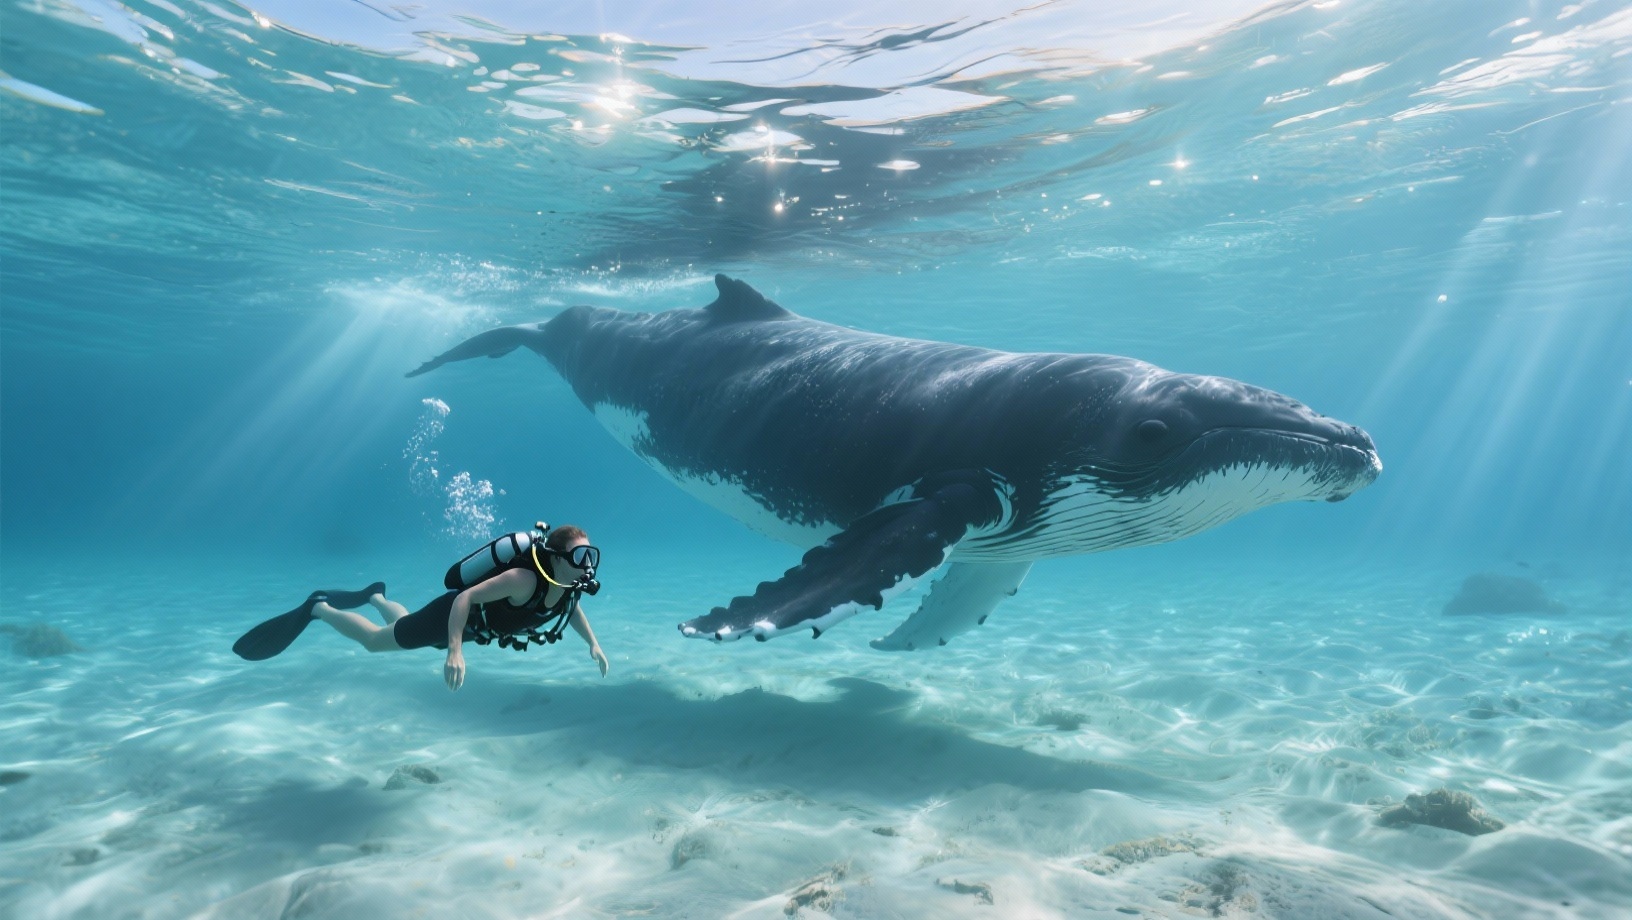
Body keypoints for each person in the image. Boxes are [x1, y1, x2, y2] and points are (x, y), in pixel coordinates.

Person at [233, 525, 609, 689]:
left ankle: (375, 596)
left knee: (404, 625)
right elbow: (465, 597)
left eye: (590, 554)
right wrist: (456, 651)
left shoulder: (568, 583)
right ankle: (319, 608)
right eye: (580, 554)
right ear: (557, 556)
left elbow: (569, 608)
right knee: (377, 642)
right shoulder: (524, 580)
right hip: (451, 618)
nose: (587, 563)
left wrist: (592, 643)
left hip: (467, 631)